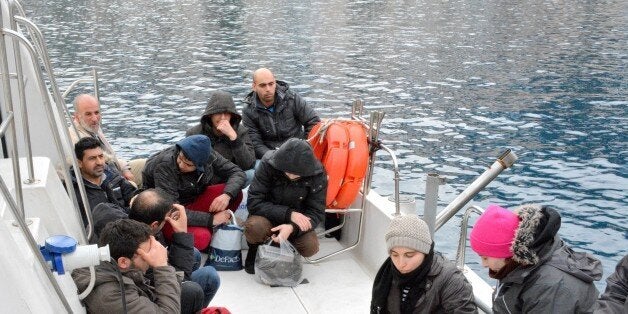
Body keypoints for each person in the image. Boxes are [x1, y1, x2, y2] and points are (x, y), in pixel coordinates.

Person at [470, 204, 603, 313]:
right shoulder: (515, 266)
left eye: (485, 258)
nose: (483, 264)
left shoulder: (549, 287)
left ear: (505, 253)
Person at [142, 134, 246, 250]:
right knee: (202, 239)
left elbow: (238, 173)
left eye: (188, 164)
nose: (181, 165)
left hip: (192, 200)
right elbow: (171, 208)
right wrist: (211, 220)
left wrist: (227, 195)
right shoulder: (164, 165)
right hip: (167, 214)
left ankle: (210, 226)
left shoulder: (209, 155)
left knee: (235, 193)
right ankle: (211, 226)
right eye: (180, 158)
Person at [243, 138, 327, 274]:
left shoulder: (318, 173)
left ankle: (286, 251)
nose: (291, 175)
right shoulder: (268, 163)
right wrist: (289, 214)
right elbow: (254, 202)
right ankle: (255, 249)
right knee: (254, 227)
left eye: (296, 173)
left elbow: (316, 212)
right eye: (287, 171)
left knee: (310, 246)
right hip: (266, 216)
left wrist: (292, 228)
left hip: (296, 223)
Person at [129, 189, 220, 311]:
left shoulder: (134, 228)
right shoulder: (142, 250)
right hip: (156, 299)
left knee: (195, 254)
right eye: (166, 219)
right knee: (206, 279)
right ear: (154, 225)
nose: (168, 221)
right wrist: (182, 233)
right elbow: (180, 280)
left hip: (154, 284)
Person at [370, 215, 477, 314]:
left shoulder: (451, 280)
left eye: (409, 255)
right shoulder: (387, 274)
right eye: (395, 255)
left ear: (425, 252)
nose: (401, 264)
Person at [71, 219, 181, 313]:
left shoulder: (113, 265)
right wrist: (161, 266)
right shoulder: (111, 296)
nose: (152, 257)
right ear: (123, 262)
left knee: (191, 291)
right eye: (146, 254)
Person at [242, 68, 320, 159]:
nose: (268, 89)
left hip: (297, 151)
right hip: (269, 156)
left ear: (275, 83)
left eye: (271, 84)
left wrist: (305, 146)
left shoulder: (292, 99)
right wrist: (275, 158)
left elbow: (313, 122)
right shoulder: (248, 110)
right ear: (254, 87)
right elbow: (255, 143)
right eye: (263, 85)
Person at [186, 90, 256, 185]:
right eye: (218, 113)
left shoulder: (241, 131)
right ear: (210, 115)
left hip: (231, 179)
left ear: (232, 115)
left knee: (251, 174)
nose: (223, 118)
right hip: (204, 181)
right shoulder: (194, 133)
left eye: (227, 113)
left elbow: (248, 164)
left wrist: (234, 138)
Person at [68, 94, 134, 182]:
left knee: (148, 163)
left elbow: (111, 157)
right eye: (88, 114)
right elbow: (102, 164)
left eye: (96, 112)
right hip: (108, 178)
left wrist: (125, 169)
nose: (95, 119)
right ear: (76, 116)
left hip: (116, 169)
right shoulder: (75, 137)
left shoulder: (92, 128)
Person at [70, 137, 136, 225]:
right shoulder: (74, 191)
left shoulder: (112, 175)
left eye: (101, 156)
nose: (99, 162)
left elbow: (131, 193)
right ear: (79, 163)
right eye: (92, 158)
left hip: (129, 223)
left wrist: (136, 198)